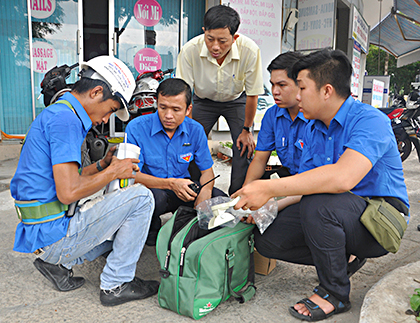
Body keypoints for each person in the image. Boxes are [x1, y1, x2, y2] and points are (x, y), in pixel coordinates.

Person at [233, 49, 409, 321]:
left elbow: (342, 178)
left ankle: (335, 293)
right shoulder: (314, 128)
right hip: (340, 212)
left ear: (326, 91)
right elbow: (303, 186)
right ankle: (342, 259)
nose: (297, 96)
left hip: (382, 219)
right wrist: (266, 207)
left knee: (319, 204)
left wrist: (268, 188)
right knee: (268, 237)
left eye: (301, 87)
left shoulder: (370, 120)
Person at [11, 56, 159, 307]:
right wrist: (114, 173)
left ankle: (59, 264)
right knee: (142, 198)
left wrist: (103, 165)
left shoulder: (61, 112)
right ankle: (116, 284)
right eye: (111, 109)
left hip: (42, 233)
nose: (105, 119)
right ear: (96, 92)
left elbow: (68, 180)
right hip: (53, 237)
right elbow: (69, 192)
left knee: (119, 213)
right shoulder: (66, 120)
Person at [125, 78, 226, 246]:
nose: (168, 115)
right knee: (150, 199)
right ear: (156, 103)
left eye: (176, 109)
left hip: (184, 190)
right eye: (162, 107)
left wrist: (206, 192)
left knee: (219, 200)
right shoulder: (136, 128)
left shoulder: (195, 130)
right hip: (153, 191)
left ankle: (185, 222)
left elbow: (207, 170)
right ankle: (151, 225)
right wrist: (171, 184)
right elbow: (131, 175)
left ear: (188, 110)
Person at [176, 4, 264, 195]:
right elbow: (182, 93)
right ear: (203, 32)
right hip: (202, 100)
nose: (215, 46)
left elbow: (253, 93)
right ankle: (192, 192)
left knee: (243, 147)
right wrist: (186, 127)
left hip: (236, 100)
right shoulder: (190, 50)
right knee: (188, 144)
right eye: (210, 39)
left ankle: (236, 197)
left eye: (223, 41)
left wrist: (247, 130)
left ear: (235, 38)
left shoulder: (250, 50)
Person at [243, 51, 309, 186]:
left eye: (282, 85)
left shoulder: (316, 117)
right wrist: (246, 189)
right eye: (272, 84)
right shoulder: (272, 115)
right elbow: (260, 159)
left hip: (311, 182)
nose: (274, 91)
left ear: (301, 83)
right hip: (288, 177)